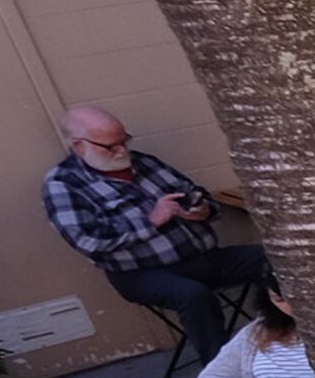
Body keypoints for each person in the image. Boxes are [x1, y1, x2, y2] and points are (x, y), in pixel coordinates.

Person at [41, 105, 268, 364]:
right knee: (194, 296)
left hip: (204, 257)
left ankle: (283, 343)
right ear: (79, 146)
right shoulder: (63, 184)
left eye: (124, 140)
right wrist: (152, 222)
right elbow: (89, 241)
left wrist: (203, 209)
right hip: (141, 273)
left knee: (275, 260)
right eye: (111, 146)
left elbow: (193, 192)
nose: (122, 150)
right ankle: (224, 371)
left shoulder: (144, 162)